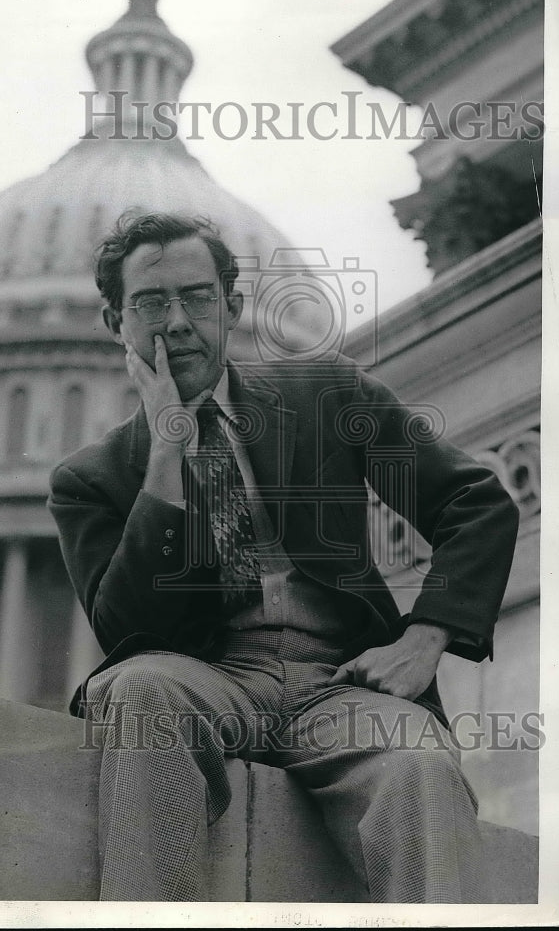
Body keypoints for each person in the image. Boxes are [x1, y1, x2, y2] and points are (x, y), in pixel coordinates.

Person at [47, 211, 519, 903]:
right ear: (115, 322)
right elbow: (130, 636)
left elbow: (474, 502)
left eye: (197, 297)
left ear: (230, 308)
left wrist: (424, 637)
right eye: (149, 303)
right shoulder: (90, 478)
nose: (175, 321)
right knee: (139, 691)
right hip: (207, 679)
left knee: (417, 764)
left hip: (340, 683)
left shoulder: (325, 393)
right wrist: (168, 452)